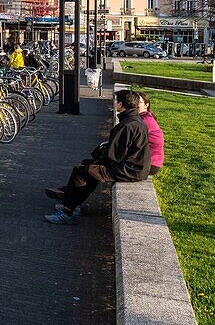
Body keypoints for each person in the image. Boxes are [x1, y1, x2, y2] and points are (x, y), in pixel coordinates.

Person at [44, 89, 151, 224]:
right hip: (135, 167)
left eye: (116, 102)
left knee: (82, 171)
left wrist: (98, 157)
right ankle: (71, 202)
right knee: (89, 167)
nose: (115, 104)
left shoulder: (126, 125)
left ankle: (67, 211)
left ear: (121, 105)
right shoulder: (135, 121)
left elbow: (113, 156)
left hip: (129, 170)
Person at [137, 92, 165, 176]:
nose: (136, 104)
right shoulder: (145, 117)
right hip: (149, 162)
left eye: (139, 102)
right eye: (135, 101)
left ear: (146, 105)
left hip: (150, 164)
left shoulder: (144, 121)